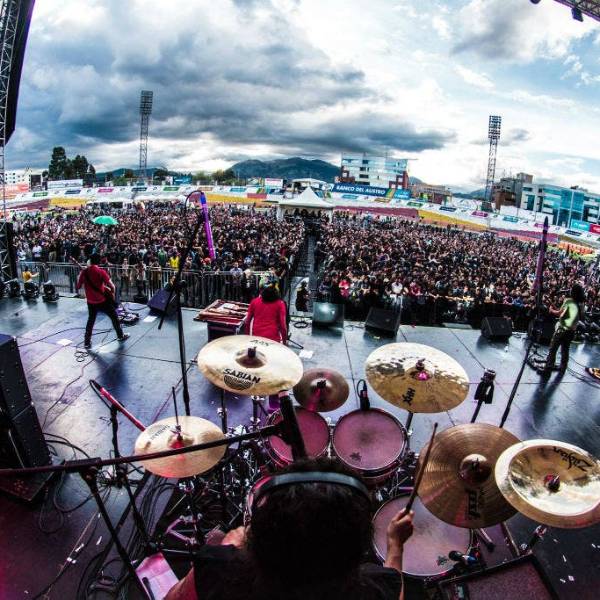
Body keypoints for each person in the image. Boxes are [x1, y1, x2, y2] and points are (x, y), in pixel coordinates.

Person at [165, 457, 414, 600]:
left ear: (258, 534)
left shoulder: (217, 570)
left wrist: (229, 546)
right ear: (359, 548)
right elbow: (395, 588)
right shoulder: (377, 589)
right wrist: (395, 546)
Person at [76, 254, 129, 349]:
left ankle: (87, 342)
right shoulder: (101, 272)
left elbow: (78, 286)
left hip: (90, 302)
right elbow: (112, 286)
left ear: (90, 261)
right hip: (102, 301)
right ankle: (120, 336)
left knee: (91, 320)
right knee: (114, 317)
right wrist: (111, 295)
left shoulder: (84, 272)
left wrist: (81, 275)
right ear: (98, 262)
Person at [543, 283, 586, 374]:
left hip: (562, 329)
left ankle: (549, 367)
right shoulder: (581, 304)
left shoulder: (569, 301)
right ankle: (563, 367)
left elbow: (559, 313)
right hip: (572, 331)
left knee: (553, 348)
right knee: (565, 350)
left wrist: (551, 310)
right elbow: (579, 317)